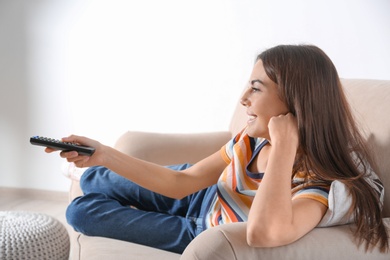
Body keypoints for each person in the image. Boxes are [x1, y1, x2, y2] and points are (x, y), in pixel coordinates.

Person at [46, 44, 389, 254]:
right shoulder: (251, 140)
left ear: (295, 102)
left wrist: (285, 145)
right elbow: (185, 182)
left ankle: (129, 201)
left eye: (256, 89)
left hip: (203, 232)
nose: (243, 99)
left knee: (81, 212)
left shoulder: (321, 185)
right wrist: (103, 152)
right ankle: (94, 172)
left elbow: (263, 233)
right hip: (206, 194)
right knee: (95, 178)